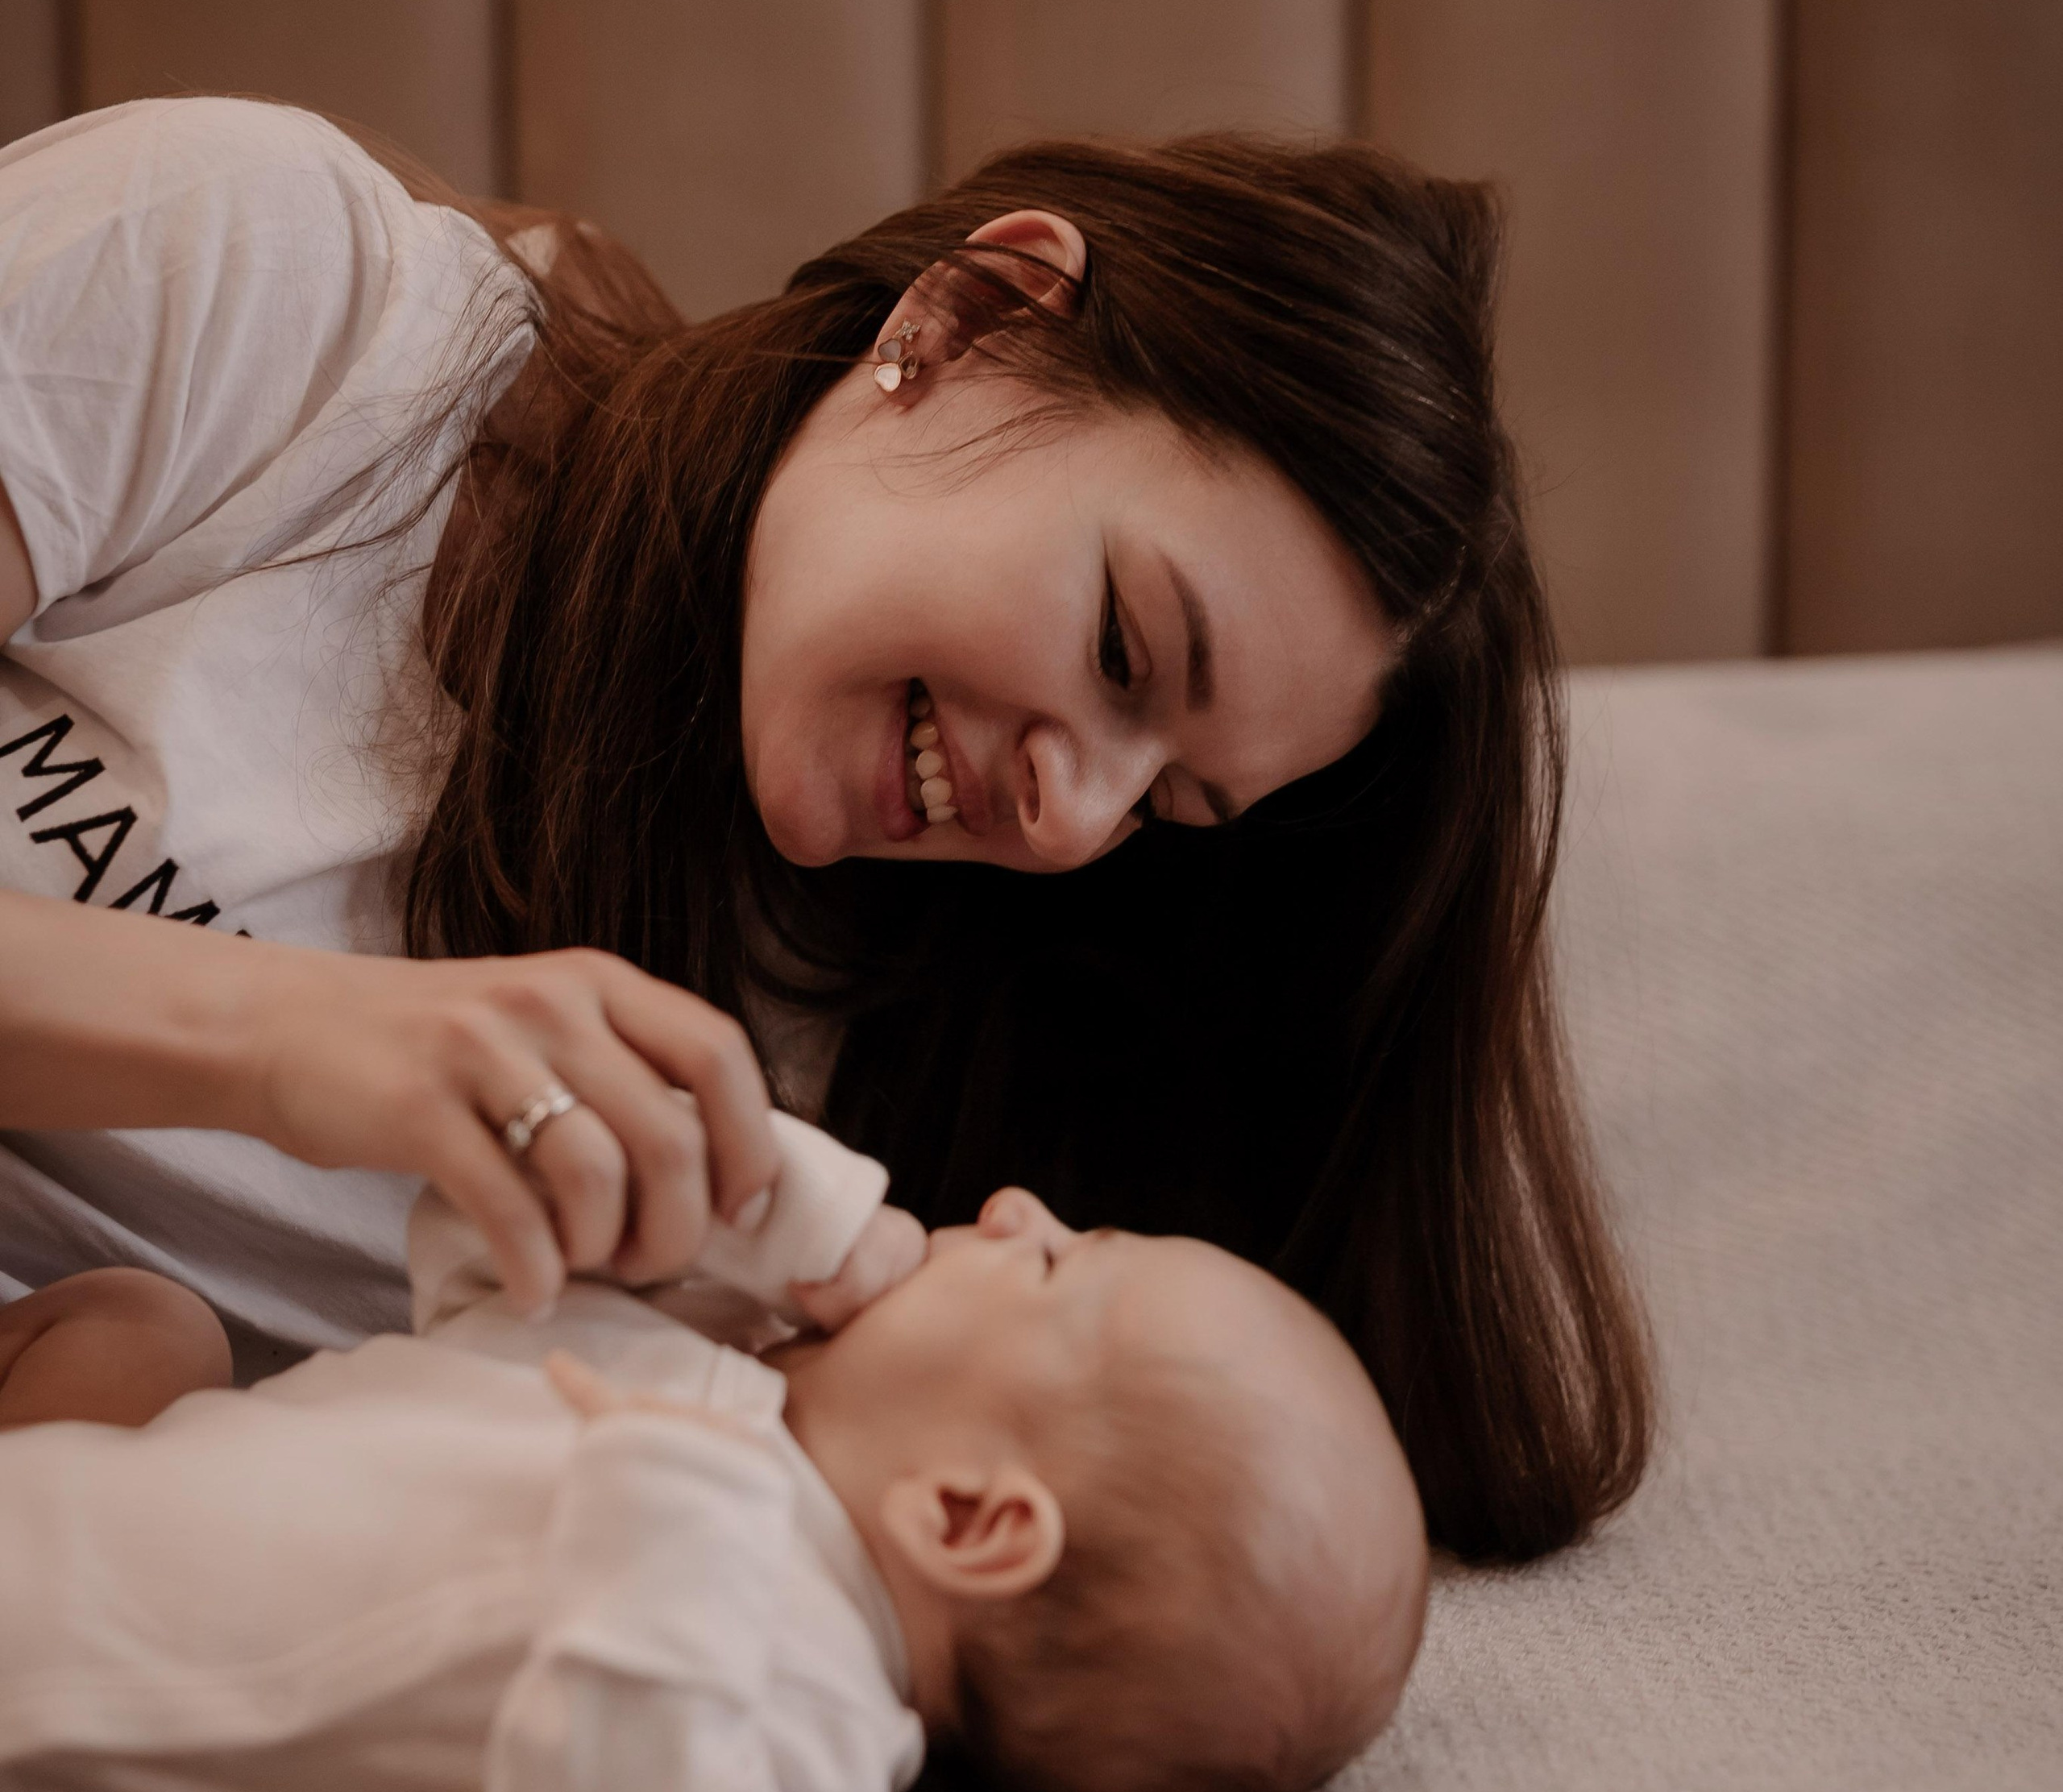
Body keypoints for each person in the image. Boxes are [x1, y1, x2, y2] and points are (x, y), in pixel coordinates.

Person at [0, 94, 1647, 1563]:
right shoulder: (280, 299)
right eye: (1120, 649)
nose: (1068, 819)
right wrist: (294, 1040)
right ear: (962, 323)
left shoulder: (844, 1131)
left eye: (1164, 803)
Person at [0, 1122, 1429, 1792]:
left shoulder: (799, 1685)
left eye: (1054, 1260)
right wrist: (769, 1216)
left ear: (970, 1518)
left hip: (41, 1734)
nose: (1011, 1209)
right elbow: (468, 1252)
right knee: (143, 1325)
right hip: (86, 1500)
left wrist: (672, 1514)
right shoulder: (718, 1369)